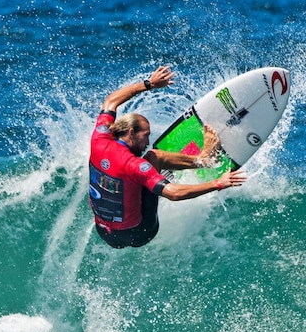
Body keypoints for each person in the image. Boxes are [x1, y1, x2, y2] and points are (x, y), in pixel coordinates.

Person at [88, 65, 246, 248]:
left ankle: (150, 183)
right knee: (154, 157)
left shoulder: (99, 138)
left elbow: (110, 102)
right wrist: (218, 183)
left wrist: (148, 84)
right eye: (145, 135)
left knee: (132, 179)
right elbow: (174, 194)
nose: (147, 141)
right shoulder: (135, 165)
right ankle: (205, 159)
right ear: (131, 132)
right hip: (139, 233)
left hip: (104, 232)